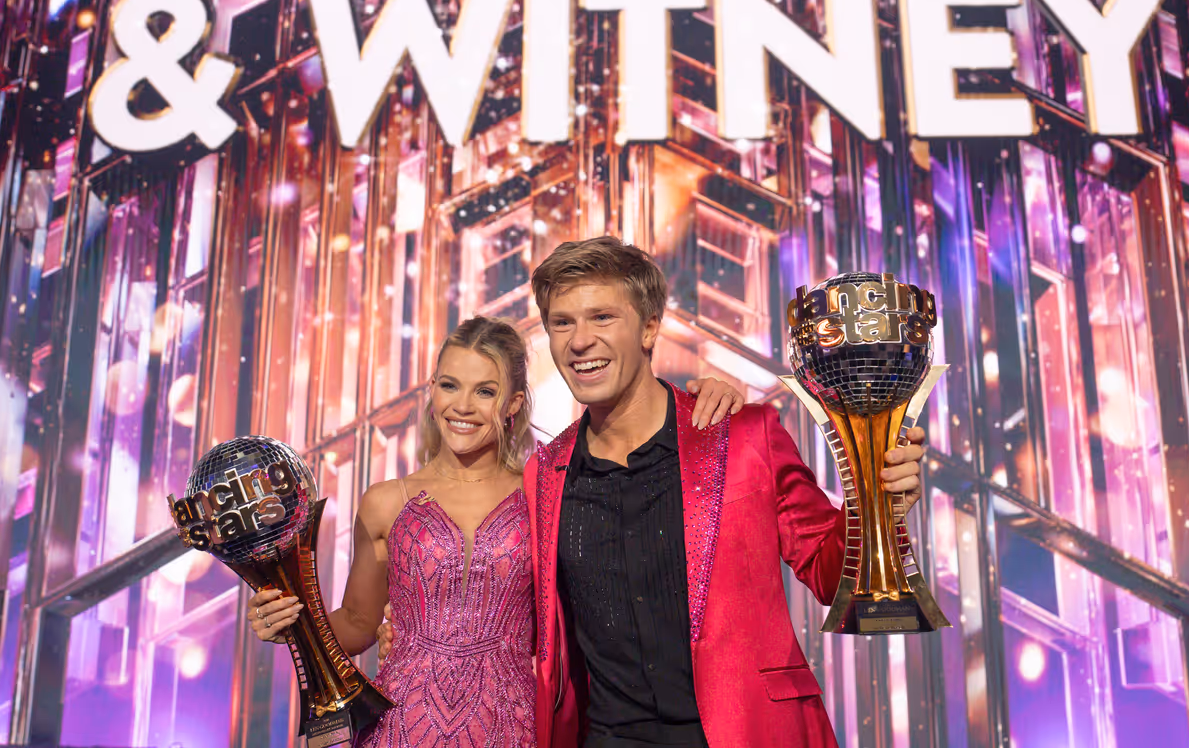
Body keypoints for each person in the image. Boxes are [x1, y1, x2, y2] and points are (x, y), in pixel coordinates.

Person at [378, 238, 928, 748]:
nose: (580, 341)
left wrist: (880, 507)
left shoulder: (742, 434)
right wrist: (419, 631)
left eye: (602, 317)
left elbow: (830, 574)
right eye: (562, 322)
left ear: (648, 328)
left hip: (749, 731)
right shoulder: (544, 473)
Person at [245, 315, 745, 748]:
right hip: (401, 725)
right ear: (432, 390)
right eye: (449, 385)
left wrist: (703, 399)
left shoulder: (546, 492)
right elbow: (357, 623)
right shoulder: (385, 501)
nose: (462, 406)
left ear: (513, 404)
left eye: (484, 391)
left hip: (510, 726)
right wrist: (293, 624)